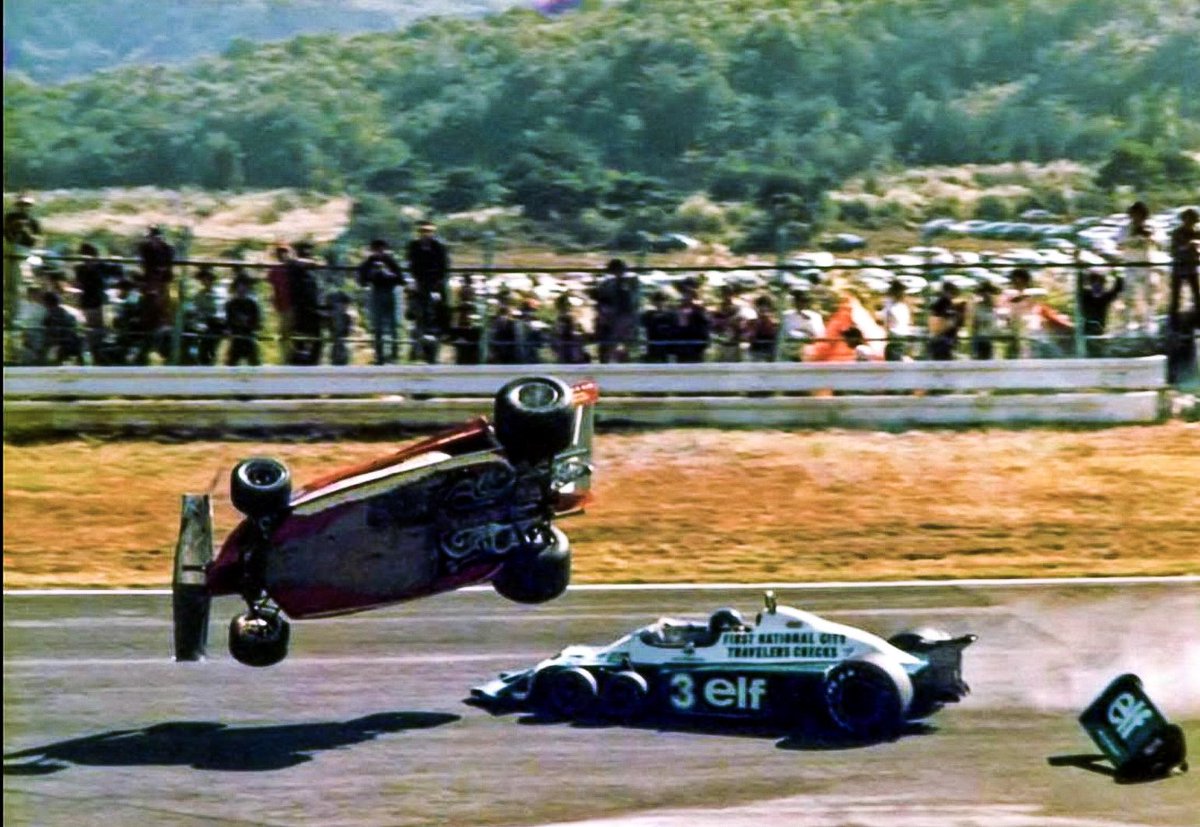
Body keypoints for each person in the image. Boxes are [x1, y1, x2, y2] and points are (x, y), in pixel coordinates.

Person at [406, 221, 450, 364]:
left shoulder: (439, 247)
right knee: (419, 318)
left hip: (435, 285)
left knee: (435, 318)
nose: (425, 234)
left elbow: (443, 268)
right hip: (421, 285)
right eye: (423, 231)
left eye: (428, 231)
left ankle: (432, 354)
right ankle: (418, 351)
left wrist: (437, 287)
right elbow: (412, 265)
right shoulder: (414, 246)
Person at [4, 195, 41, 361]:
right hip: (10, 253)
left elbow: (35, 241)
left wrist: (25, 231)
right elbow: (6, 235)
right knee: (11, 289)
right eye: (21, 204)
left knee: (19, 290)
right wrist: (14, 228)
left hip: (23, 255)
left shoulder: (33, 222)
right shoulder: (10, 217)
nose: (23, 207)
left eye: (26, 205)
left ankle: (16, 324)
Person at [357, 238, 406, 365]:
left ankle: (394, 355)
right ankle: (379, 356)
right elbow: (362, 280)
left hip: (390, 292)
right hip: (376, 292)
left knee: (393, 325)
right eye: (377, 250)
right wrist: (372, 274)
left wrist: (388, 273)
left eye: (381, 250)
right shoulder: (369, 262)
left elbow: (401, 279)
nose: (379, 252)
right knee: (377, 326)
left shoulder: (390, 261)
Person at [1116, 201, 1158, 331]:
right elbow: (1119, 246)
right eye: (1135, 214)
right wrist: (1133, 238)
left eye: (1140, 214)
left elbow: (1158, 244)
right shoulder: (1125, 229)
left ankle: (1148, 323)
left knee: (1148, 294)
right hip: (1131, 265)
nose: (1137, 217)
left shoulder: (1150, 228)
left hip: (1146, 265)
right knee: (1129, 295)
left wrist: (1147, 237)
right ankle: (1127, 323)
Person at [592, 258, 639, 363]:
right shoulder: (608, 284)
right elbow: (601, 300)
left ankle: (622, 361)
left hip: (622, 320)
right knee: (610, 347)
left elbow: (631, 302)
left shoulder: (629, 282)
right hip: (613, 321)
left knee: (623, 347)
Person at [287, 241, 323, 365]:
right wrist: (309, 263)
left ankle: (313, 363)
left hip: (313, 308)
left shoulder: (312, 271)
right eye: (304, 250)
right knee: (299, 339)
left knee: (317, 339)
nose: (307, 253)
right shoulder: (294, 266)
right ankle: (298, 363)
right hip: (300, 308)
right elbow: (293, 262)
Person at [135, 225, 175, 338]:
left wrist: (160, 273)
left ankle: (164, 326)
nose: (154, 241)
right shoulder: (145, 248)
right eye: (151, 238)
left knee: (163, 303)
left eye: (156, 238)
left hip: (162, 280)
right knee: (149, 304)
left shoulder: (167, 249)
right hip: (150, 279)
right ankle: (149, 328)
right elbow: (145, 265)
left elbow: (167, 266)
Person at [1077, 269, 1125, 357]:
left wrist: (1117, 273)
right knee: (1092, 351)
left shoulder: (1102, 297)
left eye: (1100, 284)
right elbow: (1117, 288)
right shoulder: (1087, 296)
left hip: (1096, 329)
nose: (1097, 286)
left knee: (1095, 351)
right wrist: (1117, 274)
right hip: (1089, 329)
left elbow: (1118, 288)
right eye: (1095, 283)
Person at [74, 243, 108, 364]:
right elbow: (80, 285)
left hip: (95, 303)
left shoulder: (98, 267)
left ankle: (96, 356)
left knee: (97, 331)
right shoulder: (82, 269)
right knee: (92, 331)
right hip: (90, 304)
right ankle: (91, 356)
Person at [1167, 208, 1199, 324]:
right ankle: (1173, 322)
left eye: (1192, 220)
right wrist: (1186, 246)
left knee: (1196, 295)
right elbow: (1172, 251)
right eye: (1187, 219)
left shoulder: (1197, 233)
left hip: (1192, 267)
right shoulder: (1177, 233)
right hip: (1179, 267)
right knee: (1176, 296)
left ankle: (1196, 320)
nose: (1189, 222)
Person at [224, 271, 261, 366]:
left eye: (245, 285)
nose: (242, 288)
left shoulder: (252, 304)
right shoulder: (230, 304)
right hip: (235, 340)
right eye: (240, 285)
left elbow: (257, 323)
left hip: (249, 339)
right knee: (230, 366)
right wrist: (229, 330)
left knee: (255, 366)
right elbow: (227, 322)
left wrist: (249, 325)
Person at [190, 264, 224, 366]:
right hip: (203, 327)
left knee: (211, 350)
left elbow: (221, 313)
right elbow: (196, 312)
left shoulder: (220, 294)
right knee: (199, 351)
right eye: (203, 279)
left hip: (216, 327)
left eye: (208, 278)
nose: (206, 281)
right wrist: (198, 322)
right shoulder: (199, 296)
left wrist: (214, 318)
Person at [265, 243, 293, 363]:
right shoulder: (275, 270)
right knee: (283, 334)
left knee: (286, 333)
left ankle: (289, 358)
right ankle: (286, 358)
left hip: (291, 304)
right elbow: (270, 285)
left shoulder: (291, 268)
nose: (282, 255)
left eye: (284, 253)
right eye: (279, 253)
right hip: (282, 306)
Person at [672, 277, 710, 363]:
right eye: (684, 292)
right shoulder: (676, 309)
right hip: (681, 348)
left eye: (689, 292)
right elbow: (674, 327)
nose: (686, 295)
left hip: (696, 348)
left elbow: (705, 327)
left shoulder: (699, 310)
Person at [40, 291, 84, 365]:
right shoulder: (66, 313)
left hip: (57, 344)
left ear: (46, 302)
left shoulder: (48, 315)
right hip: (71, 343)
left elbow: (46, 329)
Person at [781, 288, 826, 361]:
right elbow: (785, 333)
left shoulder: (815, 316)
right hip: (790, 351)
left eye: (803, 300)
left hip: (810, 352)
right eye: (797, 300)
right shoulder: (786, 315)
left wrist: (806, 331)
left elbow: (819, 335)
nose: (799, 303)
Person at [709, 284, 750, 362]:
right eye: (724, 293)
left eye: (729, 293)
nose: (726, 296)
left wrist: (738, 326)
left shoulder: (738, 310)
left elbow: (743, 328)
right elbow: (713, 327)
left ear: (732, 295)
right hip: (721, 345)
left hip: (735, 345)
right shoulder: (717, 311)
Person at [928, 281, 966, 360]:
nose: (954, 296)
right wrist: (953, 321)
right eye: (953, 293)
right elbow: (937, 325)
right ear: (947, 291)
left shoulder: (947, 304)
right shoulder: (942, 303)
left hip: (945, 342)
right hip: (942, 343)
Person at [551, 292, 590, 364]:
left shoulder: (563, 318)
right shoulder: (564, 318)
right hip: (567, 349)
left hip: (567, 349)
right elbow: (562, 332)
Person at [450, 278, 482, 365]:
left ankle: (462, 359)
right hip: (467, 326)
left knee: (462, 347)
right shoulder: (470, 305)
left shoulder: (460, 305)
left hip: (462, 326)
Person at [881, 279, 914, 362]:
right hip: (898, 339)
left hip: (899, 339)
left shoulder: (899, 306)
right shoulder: (896, 306)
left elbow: (888, 323)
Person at [641, 289, 676, 363]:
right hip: (653, 346)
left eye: (662, 300)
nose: (660, 302)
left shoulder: (671, 315)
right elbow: (645, 330)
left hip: (667, 346)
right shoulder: (648, 315)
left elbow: (673, 330)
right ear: (653, 302)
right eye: (657, 300)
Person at [969, 281, 1001, 360]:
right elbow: (974, 326)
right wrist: (973, 346)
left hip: (993, 340)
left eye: (989, 292)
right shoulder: (978, 307)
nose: (987, 294)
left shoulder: (995, 308)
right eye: (984, 292)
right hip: (981, 340)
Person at [746, 294, 781, 362]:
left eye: (766, 307)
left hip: (769, 350)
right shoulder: (752, 322)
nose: (763, 310)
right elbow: (750, 337)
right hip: (756, 351)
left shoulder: (774, 323)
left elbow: (776, 336)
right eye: (760, 306)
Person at [327, 288, 354, 366]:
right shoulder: (342, 316)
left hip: (340, 347)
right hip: (338, 347)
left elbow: (346, 333)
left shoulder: (346, 317)